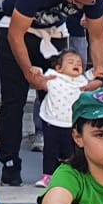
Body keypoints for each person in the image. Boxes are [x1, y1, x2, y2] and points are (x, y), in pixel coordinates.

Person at [0, 0, 103, 186]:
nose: (81, 8)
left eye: (86, 4)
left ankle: (60, 164)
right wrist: (29, 72)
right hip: (18, 32)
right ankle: (10, 163)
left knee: (62, 98)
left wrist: (100, 74)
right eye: (77, 2)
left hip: (54, 34)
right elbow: (15, 34)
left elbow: (97, 36)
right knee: (14, 99)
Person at [38, 49, 96, 183]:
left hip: (71, 123)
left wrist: (96, 74)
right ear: (59, 68)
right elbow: (40, 81)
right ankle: (47, 176)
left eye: (79, 63)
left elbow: (92, 75)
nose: (76, 64)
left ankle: (69, 176)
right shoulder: (53, 76)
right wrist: (37, 73)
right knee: (50, 151)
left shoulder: (82, 81)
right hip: (52, 121)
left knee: (70, 152)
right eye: (71, 62)